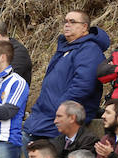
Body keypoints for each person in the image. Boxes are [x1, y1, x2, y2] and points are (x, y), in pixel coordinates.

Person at [24, 10, 109, 140]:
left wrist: (61, 111)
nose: (67, 25)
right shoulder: (66, 48)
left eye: (72, 22)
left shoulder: (89, 50)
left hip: (63, 120)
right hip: (43, 118)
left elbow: (83, 85)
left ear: (85, 27)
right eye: (66, 21)